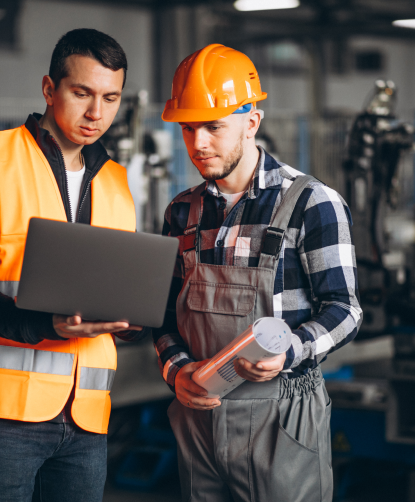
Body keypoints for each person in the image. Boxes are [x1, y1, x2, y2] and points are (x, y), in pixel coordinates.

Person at [153, 43, 363, 502]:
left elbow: (344, 310)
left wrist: (291, 348)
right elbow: (164, 317)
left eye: (213, 127)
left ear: (252, 123)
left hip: (282, 419)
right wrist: (178, 372)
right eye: (188, 128)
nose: (198, 143)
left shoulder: (311, 202)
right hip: (198, 420)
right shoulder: (182, 212)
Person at [0, 29, 146, 502]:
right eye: (81, 93)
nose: (96, 114)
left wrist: (131, 320)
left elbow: (115, 285)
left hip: (87, 419)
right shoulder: (1, 161)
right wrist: (44, 324)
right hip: (7, 418)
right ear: (49, 89)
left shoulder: (117, 182)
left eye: (110, 97)